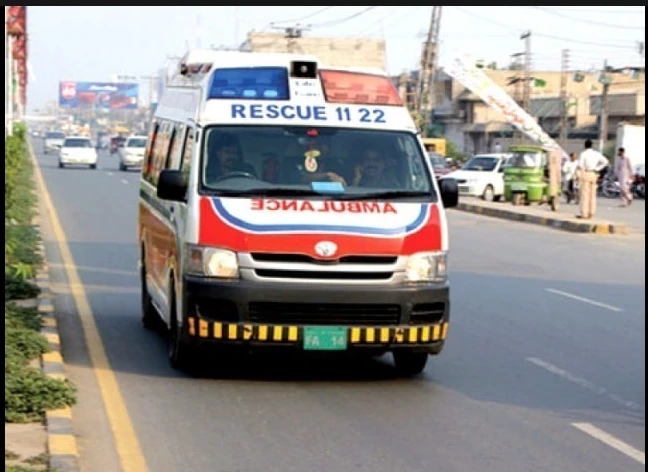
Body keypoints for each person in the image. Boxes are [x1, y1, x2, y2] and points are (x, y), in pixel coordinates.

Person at [576, 139, 609, 219]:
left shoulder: (583, 154)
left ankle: (584, 213)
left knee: (585, 194)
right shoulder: (596, 154)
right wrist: (597, 168)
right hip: (594, 174)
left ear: (585, 145)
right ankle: (591, 213)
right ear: (592, 145)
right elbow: (605, 162)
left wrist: (579, 175)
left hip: (586, 173)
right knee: (592, 195)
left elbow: (580, 165)